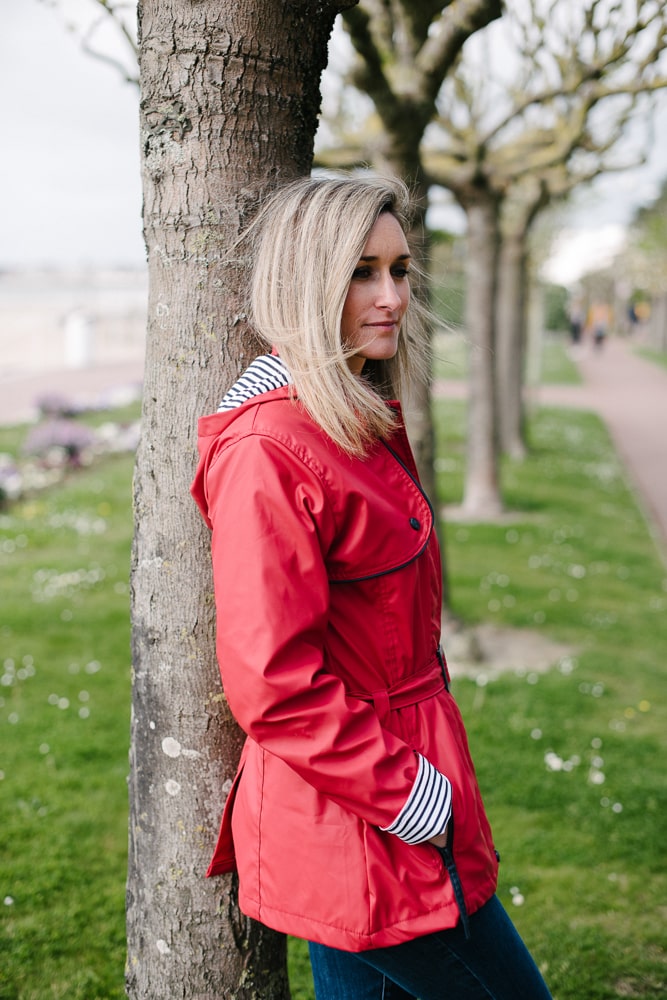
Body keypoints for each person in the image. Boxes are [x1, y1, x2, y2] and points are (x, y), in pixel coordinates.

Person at [191, 174, 553, 1000]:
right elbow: (272, 684)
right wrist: (411, 795)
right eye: (360, 271)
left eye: (398, 270)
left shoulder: (351, 414)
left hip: (376, 800)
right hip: (365, 810)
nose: (390, 295)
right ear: (304, 280)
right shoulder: (271, 450)